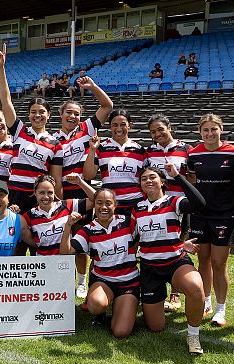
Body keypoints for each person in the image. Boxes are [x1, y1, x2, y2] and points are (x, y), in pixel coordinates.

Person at [133, 163, 206, 354]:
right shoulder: (137, 209)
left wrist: (178, 176)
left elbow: (199, 204)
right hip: (150, 267)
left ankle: (193, 335)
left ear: (162, 182)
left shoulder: (174, 202)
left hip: (175, 262)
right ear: (140, 184)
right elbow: (132, 239)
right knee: (155, 327)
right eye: (144, 178)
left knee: (196, 287)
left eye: (152, 177)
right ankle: (160, 301)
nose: (148, 181)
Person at [54, 78, 112, 297]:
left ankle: (81, 280)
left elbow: (107, 106)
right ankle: (62, 280)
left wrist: (93, 88)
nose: (72, 117)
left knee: (82, 237)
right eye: (68, 112)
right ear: (61, 115)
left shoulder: (87, 128)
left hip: (83, 189)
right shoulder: (53, 138)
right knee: (63, 237)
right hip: (61, 193)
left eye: (76, 113)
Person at [187, 114, 234, 325]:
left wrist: (233, 190)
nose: (210, 134)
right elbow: (192, 180)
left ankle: (221, 310)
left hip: (224, 214)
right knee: (202, 260)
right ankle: (206, 302)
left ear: (221, 130)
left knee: (219, 263)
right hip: (200, 215)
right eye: (206, 130)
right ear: (200, 132)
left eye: (214, 129)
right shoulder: (192, 154)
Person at [0, 42, 63, 215]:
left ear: (49, 115)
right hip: (14, 194)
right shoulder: (19, 131)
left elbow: (55, 180)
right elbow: (6, 100)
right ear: (28, 114)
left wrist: (58, 206)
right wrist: (0, 69)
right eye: (33, 112)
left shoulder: (56, 144)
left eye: (42, 112)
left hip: (38, 197)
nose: (37, 115)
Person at [60, 188, 139, 338]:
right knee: (96, 305)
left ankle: (120, 305)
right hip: (104, 281)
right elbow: (65, 252)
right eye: (99, 203)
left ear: (115, 205)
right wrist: (68, 226)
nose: (104, 207)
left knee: (120, 332)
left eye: (108, 203)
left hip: (129, 282)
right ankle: (101, 312)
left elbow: (147, 236)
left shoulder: (128, 223)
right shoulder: (88, 230)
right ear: (94, 205)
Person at [144, 114, 192, 313]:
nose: (157, 134)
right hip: (157, 206)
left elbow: (192, 178)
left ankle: (175, 294)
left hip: (180, 205)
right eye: (153, 132)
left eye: (160, 129)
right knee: (157, 245)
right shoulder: (148, 152)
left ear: (169, 127)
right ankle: (154, 291)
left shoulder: (186, 149)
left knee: (178, 244)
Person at [83, 109, 145, 217]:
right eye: (115, 125)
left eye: (123, 124)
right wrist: (92, 150)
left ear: (129, 125)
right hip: (110, 205)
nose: (119, 128)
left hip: (135, 204)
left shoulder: (140, 150)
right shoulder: (101, 148)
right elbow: (88, 175)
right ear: (110, 126)